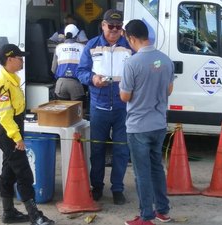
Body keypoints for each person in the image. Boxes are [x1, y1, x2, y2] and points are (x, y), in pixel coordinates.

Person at [0, 44, 55, 225]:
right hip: (9, 132)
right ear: (10, 59)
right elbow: (5, 117)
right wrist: (17, 138)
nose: (22, 61)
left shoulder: (12, 79)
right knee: (24, 174)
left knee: (8, 172)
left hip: (13, 129)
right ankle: (35, 216)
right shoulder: (3, 83)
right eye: (19, 58)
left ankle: (9, 213)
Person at [119, 20, 174, 225]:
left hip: (138, 126)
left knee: (142, 173)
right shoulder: (165, 60)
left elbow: (125, 96)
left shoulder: (131, 63)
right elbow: (169, 90)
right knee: (156, 168)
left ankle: (146, 217)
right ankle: (163, 211)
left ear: (131, 38)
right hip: (159, 124)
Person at [76, 9, 133, 205]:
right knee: (97, 150)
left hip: (122, 108)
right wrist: (92, 78)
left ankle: (117, 188)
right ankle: (97, 187)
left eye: (118, 27)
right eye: (111, 26)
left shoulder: (129, 47)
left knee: (121, 151)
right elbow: (80, 71)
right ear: (103, 25)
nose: (114, 30)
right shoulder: (91, 46)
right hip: (98, 107)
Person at [51, 24, 86, 102]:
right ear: (76, 35)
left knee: (63, 112)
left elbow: (53, 69)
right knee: (78, 111)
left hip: (61, 84)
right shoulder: (83, 47)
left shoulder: (58, 47)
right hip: (76, 84)